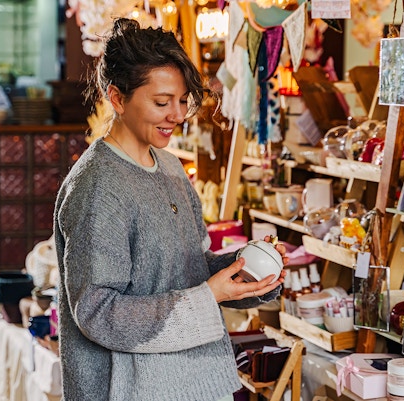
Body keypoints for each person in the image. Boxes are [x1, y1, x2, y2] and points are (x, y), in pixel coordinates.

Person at [53, 18, 287, 401]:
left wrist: (246, 271)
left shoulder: (171, 167)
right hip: (131, 390)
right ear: (117, 98)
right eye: (162, 102)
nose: (176, 115)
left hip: (194, 380)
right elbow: (96, 312)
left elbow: (189, 268)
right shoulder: (98, 186)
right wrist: (208, 296)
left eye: (181, 101)